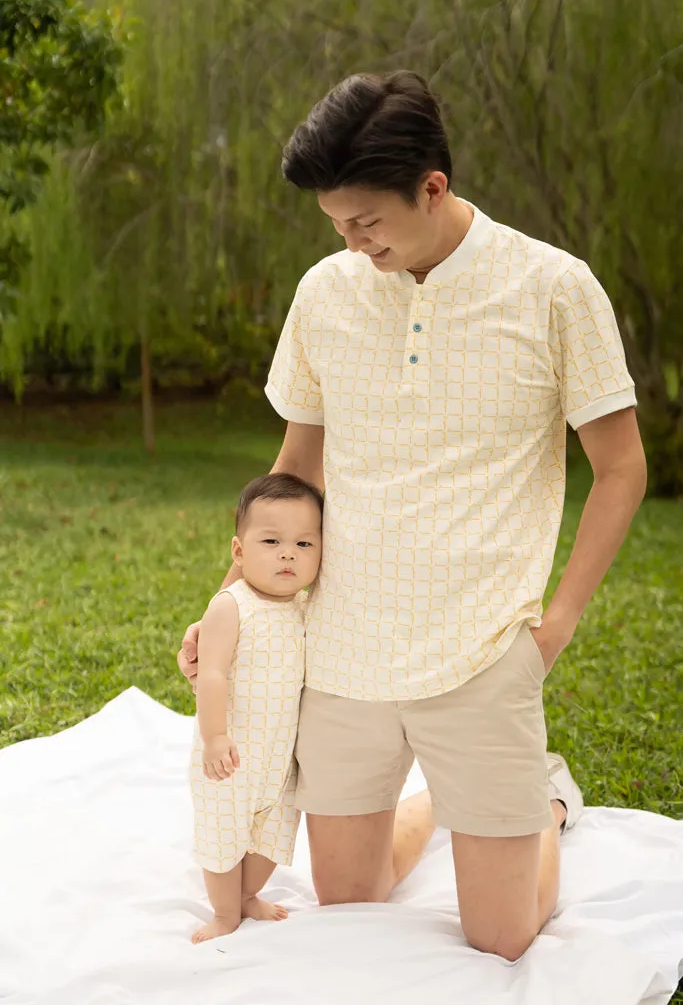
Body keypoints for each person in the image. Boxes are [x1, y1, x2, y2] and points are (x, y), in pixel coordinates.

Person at [179, 71, 647, 961]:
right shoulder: (326, 291)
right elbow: (295, 465)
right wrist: (229, 604)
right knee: (347, 896)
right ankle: (442, 808)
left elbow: (621, 468)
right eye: (336, 226)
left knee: (503, 937)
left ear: (432, 187)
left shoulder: (554, 288)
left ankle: (538, 802)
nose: (352, 244)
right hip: (344, 643)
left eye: (367, 222)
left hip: (480, 647)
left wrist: (557, 623)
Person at [189, 472, 322, 942]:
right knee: (224, 838)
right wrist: (215, 736)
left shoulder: (307, 608)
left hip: (279, 763)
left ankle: (248, 896)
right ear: (239, 552)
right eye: (271, 541)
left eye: (305, 544)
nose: (288, 553)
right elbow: (212, 673)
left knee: (269, 840)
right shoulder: (232, 606)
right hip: (231, 757)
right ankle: (226, 912)